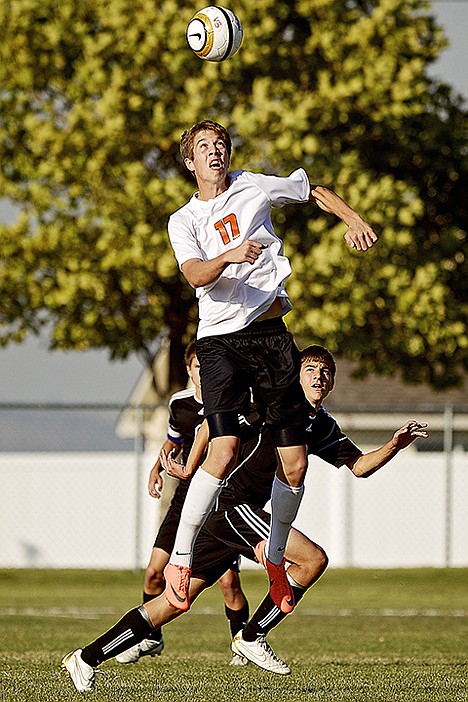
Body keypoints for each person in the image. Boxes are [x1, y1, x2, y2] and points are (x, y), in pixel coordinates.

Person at [62, 345, 428, 690]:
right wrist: (190, 466)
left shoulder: (321, 425)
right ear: (296, 375)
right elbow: (211, 423)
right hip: (231, 504)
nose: (319, 377)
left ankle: (85, 658)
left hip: (233, 515)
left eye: (326, 372)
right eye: (311, 369)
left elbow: (360, 466)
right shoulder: (270, 405)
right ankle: (251, 637)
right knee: (312, 559)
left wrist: (393, 445)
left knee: (175, 601)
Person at [164, 119, 378, 615]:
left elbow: (312, 189)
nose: (215, 152)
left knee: (296, 463)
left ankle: (276, 557)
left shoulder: (252, 185)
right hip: (219, 343)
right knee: (225, 446)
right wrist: (231, 255)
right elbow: (195, 273)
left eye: (220, 144)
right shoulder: (184, 220)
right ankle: (180, 557)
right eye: (204, 147)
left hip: (271, 338)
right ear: (191, 162)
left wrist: (352, 218)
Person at [115, 340, 250, 666]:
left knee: (229, 584)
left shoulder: (231, 402)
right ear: (189, 369)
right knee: (152, 573)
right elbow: (172, 441)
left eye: (208, 367)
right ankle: (151, 638)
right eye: (197, 367)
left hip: (217, 502)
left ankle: (243, 645)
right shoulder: (180, 404)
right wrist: (155, 469)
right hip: (183, 501)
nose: (203, 373)